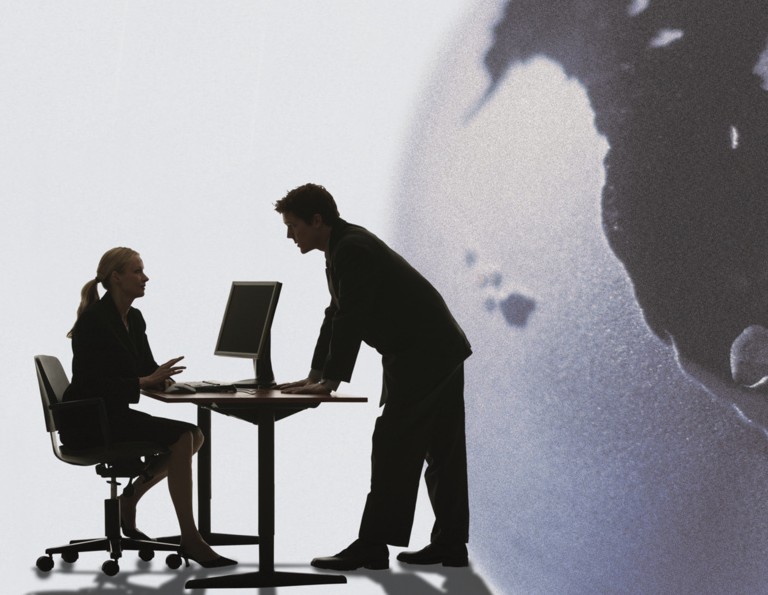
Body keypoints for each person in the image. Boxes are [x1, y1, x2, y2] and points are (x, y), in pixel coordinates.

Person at [274, 183, 472, 570]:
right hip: (433, 350)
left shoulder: (351, 248)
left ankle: (373, 546)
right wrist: (315, 374)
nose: (289, 235)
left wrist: (331, 380)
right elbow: (336, 313)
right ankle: (450, 545)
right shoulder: (342, 246)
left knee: (393, 444)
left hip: (424, 353)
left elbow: (352, 316)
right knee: (441, 450)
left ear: (317, 220)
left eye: (293, 226)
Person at [60, 247, 236, 568]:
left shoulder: (134, 318)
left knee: (195, 435)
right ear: (116, 277)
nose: (146, 278)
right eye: (137, 271)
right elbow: (90, 383)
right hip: (88, 422)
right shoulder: (94, 321)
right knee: (184, 438)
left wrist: (164, 380)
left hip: (113, 415)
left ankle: (130, 498)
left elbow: (144, 368)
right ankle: (190, 538)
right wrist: (143, 381)